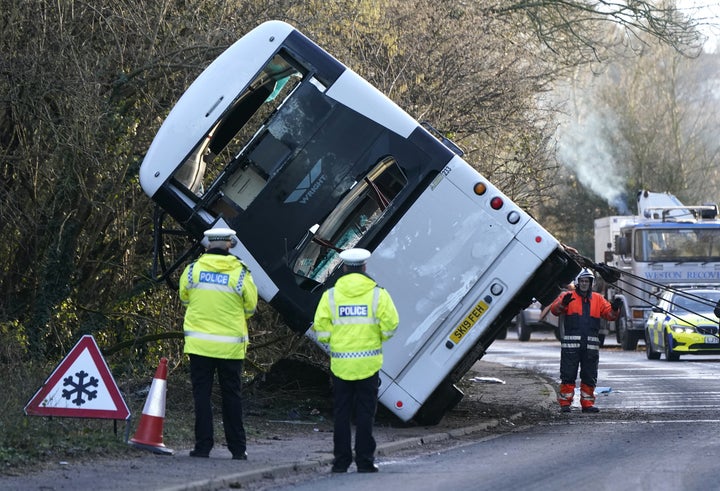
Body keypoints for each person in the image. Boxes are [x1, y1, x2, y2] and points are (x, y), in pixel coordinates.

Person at [312, 248, 399, 473]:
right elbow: (391, 327)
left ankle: (340, 462)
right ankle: (365, 461)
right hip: (368, 365)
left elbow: (320, 329)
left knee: (341, 413)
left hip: (341, 365)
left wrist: (335, 341)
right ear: (364, 267)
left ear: (343, 268)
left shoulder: (330, 295)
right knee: (365, 414)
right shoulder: (378, 295)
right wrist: (375, 338)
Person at [178, 226, 258, 459]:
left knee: (201, 396)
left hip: (199, 346)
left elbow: (185, 298)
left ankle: (203, 447)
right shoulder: (241, 273)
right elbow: (250, 307)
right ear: (229, 244)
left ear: (207, 244)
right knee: (232, 397)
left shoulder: (192, 271)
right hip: (230, 348)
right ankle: (238, 449)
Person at [549, 268, 621, 413]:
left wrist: (615, 309)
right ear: (577, 283)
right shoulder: (567, 296)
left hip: (590, 347)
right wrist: (563, 303)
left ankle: (587, 404)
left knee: (589, 375)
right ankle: (565, 403)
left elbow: (610, 315)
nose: (584, 284)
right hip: (571, 347)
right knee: (568, 374)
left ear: (591, 283)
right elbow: (554, 310)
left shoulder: (598, 299)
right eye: (581, 281)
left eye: (586, 281)